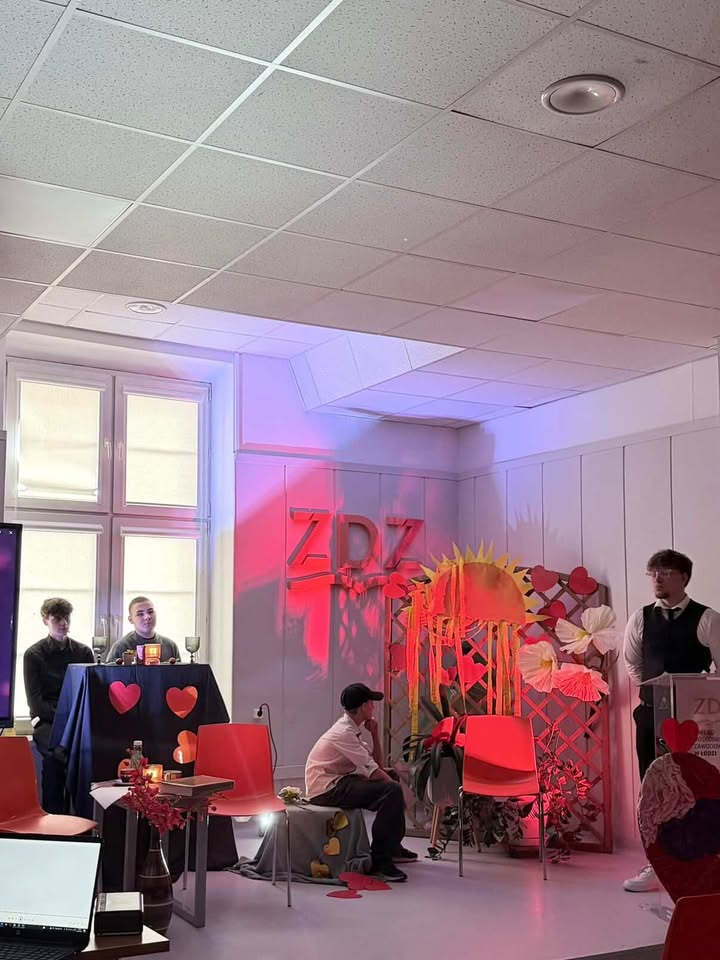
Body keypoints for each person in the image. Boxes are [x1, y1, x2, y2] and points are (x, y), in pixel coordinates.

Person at [623, 549, 720, 892]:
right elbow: (632, 663)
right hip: (652, 715)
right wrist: (655, 689)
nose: (657, 579)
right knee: (652, 788)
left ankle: (701, 863)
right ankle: (657, 864)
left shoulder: (707, 618)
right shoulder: (640, 618)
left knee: (696, 789)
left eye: (664, 572)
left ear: (684, 578)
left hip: (695, 720)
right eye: (653, 573)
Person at [305, 682, 417, 882]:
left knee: (392, 779)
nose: (374, 706)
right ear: (364, 706)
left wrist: (374, 734)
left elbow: (377, 766)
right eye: (371, 702)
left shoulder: (351, 729)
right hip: (325, 789)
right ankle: (380, 861)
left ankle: (393, 847)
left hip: (338, 781)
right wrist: (399, 792)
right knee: (391, 789)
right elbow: (373, 771)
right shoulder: (344, 733)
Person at [23, 598, 94, 813]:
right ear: (45, 620)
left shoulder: (83, 652)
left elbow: (90, 694)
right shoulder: (33, 655)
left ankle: (85, 819)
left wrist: (76, 720)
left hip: (78, 718)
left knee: (87, 755)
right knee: (55, 756)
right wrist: (67, 720)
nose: (64, 623)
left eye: (66, 618)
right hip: (49, 720)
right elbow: (36, 703)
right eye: (57, 619)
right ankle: (53, 819)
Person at [105, 596, 181, 663]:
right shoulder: (120, 647)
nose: (147, 617)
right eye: (140, 614)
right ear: (130, 619)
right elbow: (109, 673)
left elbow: (180, 674)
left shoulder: (170, 646)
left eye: (150, 612)